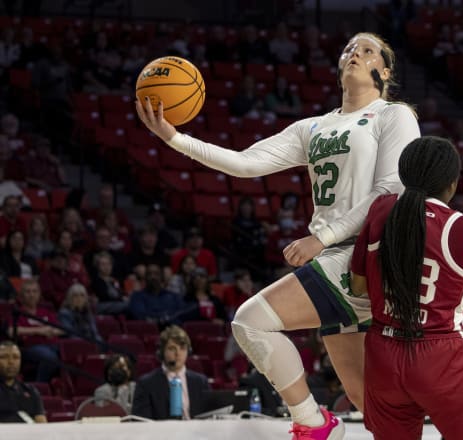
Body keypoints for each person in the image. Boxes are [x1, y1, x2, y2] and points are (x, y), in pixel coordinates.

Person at [136, 31, 419, 438]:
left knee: (250, 322)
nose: (354, 52)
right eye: (349, 49)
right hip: (336, 260)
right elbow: (243, 163)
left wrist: (322, 238)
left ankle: (314, 423)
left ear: (384, 70)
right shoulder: (313, 127)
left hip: (366, 253)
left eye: (367, 49)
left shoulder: (393, 115)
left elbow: (391, 190)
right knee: (369, 403)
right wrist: (175, 138)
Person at [350, 137, 463, 440]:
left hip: (383, 350)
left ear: (404, 175)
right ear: (453, 184)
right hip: (441, 352)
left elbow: (358, 285)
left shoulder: (382, 210)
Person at [131, 325, 209, 420]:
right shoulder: (146, 383)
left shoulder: (200, 382)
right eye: (172, 348)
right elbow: (140, 421)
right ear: (161, 351)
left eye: (182, 348)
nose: (178, 353)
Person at [10, 279, 64, 382]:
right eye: (28, 292)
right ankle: (39, 385)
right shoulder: (18, 312)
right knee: (49, 357)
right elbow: (11, 331)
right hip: (30, 347)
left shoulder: (45, 312)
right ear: (21, 295)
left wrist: (51, 331)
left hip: (53, 345)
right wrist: (39, 331)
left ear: (39, 294)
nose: (32, 295)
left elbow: (61, 330)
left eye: (34, 291)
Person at [0, 340, 47, 423]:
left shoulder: (31, 391)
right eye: (4, 357)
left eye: (16, 357)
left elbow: (42, 425)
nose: (11, 362)